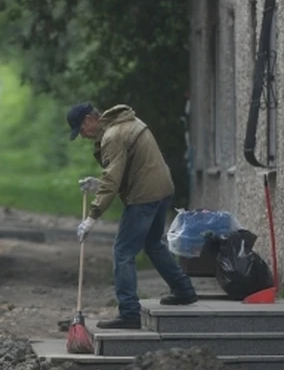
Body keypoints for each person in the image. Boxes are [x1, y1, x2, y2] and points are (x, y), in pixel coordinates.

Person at [67, 102, 199, 329]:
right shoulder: (125, 123)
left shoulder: (112, 136)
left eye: (81, 129)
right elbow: (128, 170)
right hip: (162, 189)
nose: (82, 135)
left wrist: (92, 216)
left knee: (123, 252)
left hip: (145, 195)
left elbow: (113, 178)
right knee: (152, 243)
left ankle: (129, 313)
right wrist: (98, 184)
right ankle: (184, 290)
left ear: (90, 119)